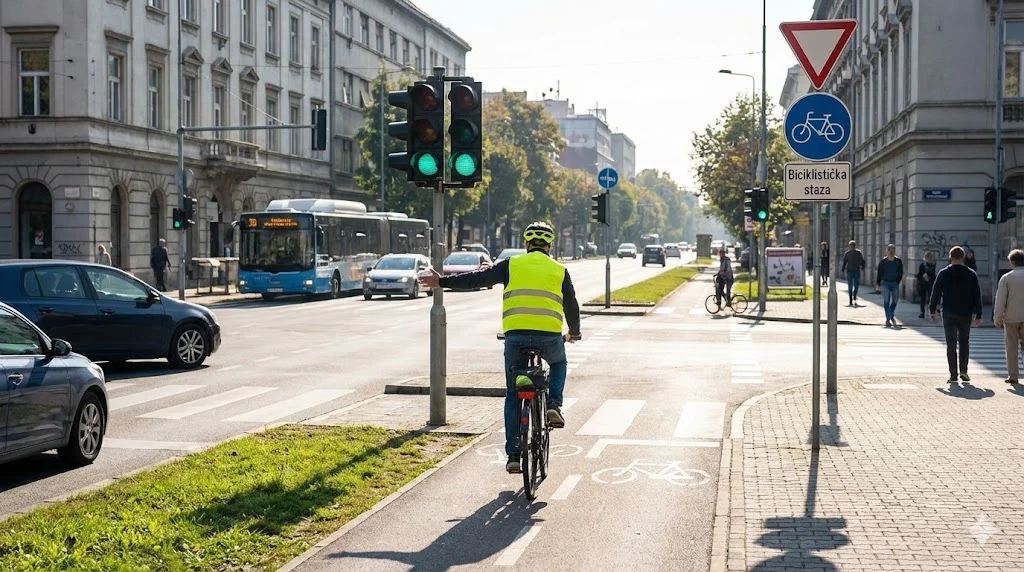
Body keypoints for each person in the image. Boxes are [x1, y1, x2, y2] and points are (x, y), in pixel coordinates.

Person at [418, 221, 582, 474]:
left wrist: (441, 281)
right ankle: (553, 404)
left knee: (513, 394)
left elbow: (477, 279)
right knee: (559, 363)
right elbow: (571, 305)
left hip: (515, 337)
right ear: (550, 246)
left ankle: (514, 455)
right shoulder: (560, 270)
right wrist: (574, 332)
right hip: (549, 337)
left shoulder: (511, 265)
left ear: (526, 244)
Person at [929, 246, 983, 383]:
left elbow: (936, 292)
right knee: (964, 342)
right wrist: (979, 314)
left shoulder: (943, 273)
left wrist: (932, 309)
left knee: (951, 343)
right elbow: (977, 295)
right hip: (965, 313)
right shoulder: (971, 274)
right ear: (963, 257)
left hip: (949, 312)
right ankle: (964, 371)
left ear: (950, 257)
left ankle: (953, 374)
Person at [994, 249, 1024, 384]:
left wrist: (998, 318)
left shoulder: (1006, 278)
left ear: (1012, 262)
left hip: (1011, 318)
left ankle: (1013, 376)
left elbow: (1001, 300)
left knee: (1011, 347)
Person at [875, 244, 904, 327]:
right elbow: (879, 273)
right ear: (887, 251)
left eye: (892, 250)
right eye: (889, 250)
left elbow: (901, 272)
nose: (891, 252)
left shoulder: (898, 261)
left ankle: (890, 314)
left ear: (894, 251)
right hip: (886, 283)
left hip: (895, 283)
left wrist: (898, 281)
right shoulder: (883, 262)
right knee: (886, 301)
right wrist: (878, 284)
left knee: (895, 301)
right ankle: (889, 318)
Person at [841, 240, 866, 306]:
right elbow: (844, 263)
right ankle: (850, 299)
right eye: (851, 246)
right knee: (850, 286)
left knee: (856, 285)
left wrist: (863, 267)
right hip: (849, 271)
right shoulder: (847, 254)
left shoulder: (858, 253)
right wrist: (842, 271)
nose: (852, 247)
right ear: (849, 246)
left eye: (853, 246)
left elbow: (862, 260)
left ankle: (854, 295)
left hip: (856, 271)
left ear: (855, 246)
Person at [915, 252, 937, 319]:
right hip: (926, 283)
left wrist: (926, 276)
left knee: (926, 298)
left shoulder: (930, 265)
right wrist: (924, 276)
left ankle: (925, 312)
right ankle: (928, 311)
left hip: (927, 283)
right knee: (926, 298)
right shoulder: (928, 265)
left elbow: (932, 274)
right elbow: (920, 274)